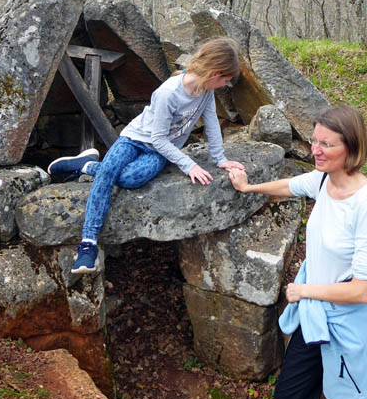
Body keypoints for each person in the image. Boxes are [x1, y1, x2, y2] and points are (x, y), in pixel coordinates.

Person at [227, 106, 367, 399]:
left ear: (352, 147)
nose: (315, 150)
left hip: (347, 322)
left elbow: (362, 291)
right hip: (317, 316)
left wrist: (304, 291)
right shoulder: (322, 181)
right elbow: (289, 185)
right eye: (314, 141)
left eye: (327, 144)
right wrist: (248, 187)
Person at [48, 37, 246, 274]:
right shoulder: (168, 93)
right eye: (226, 79)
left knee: (131, 179)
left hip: (159, 150)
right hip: (135, 138)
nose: (225, 84)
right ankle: (88, 244)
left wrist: (220, 158)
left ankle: (88, 166)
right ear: (215, 73)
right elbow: (158, 137)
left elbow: (212, 123)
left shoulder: (205, 92)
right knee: (108, 173)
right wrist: (189, 165)